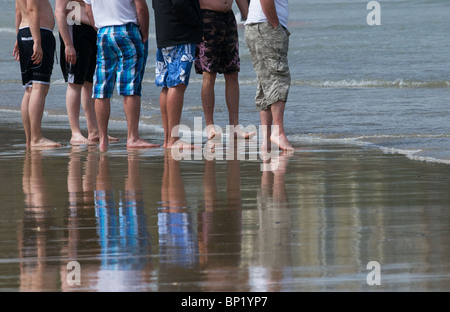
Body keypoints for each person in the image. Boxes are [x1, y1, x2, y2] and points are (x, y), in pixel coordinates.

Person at [83, 0, 159, 152]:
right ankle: (132, 137)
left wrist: (99, 28)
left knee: (102, 86)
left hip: (103, 31)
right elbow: (141, 7)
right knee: (130, 85)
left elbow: (88, 10)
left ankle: (103, 138)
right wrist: (144, 33)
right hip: (127, 28)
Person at [55, 0, 118, 145]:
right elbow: (59, 11)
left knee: (89, 82)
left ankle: (94, 131)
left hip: (92, 30)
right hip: (74, 27)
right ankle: (75, 132)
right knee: (74, 82)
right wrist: (68, 44)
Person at [195, 0, 252, 141]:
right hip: (207, 18)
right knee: (209, 73)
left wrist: (249, 20)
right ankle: (210, 126)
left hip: (228, 18)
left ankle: (235, 126)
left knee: (232, 72)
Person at [152, 0, 203, 150]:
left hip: (165, 33)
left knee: (167, 84)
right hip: (180, 34)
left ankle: (168, 138)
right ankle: (173, 139)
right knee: (177, 84)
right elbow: (180, 3)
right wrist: (197, 22)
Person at [244, 0, 294, 151]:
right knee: (278, 77)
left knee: (265, 81)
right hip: (265, 26)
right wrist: (276, 26)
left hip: (258, 26)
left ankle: (266, 140)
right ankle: (278, 132)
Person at [13, 0, 62, 148]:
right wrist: (37, 41)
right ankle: (36, 138)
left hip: (25, 31)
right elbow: (32, 10)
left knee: (30, 89)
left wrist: (18, 37)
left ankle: (30, 139)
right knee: (38, 87)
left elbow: (18, 10)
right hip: (38, 33)